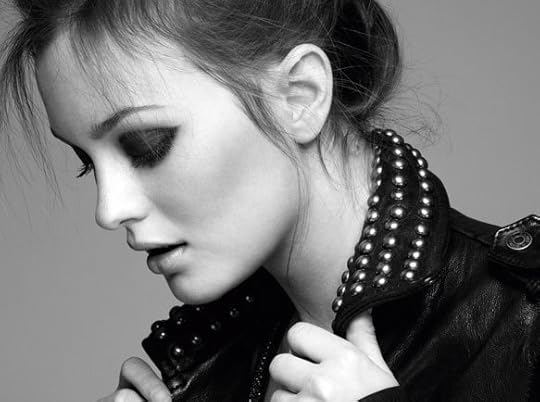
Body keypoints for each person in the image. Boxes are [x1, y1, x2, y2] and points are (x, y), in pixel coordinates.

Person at [0, 1, 538, 401]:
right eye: (88, 162)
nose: (108, 209)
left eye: (146, 144)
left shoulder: (522, 322)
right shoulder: (203, 366)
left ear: (300, 96)